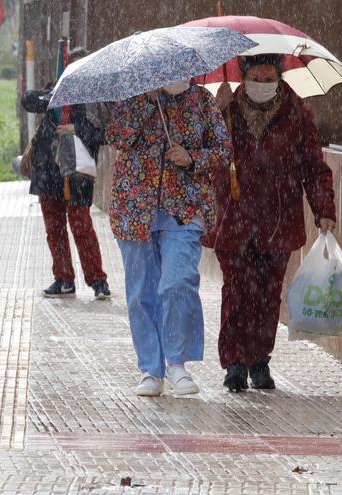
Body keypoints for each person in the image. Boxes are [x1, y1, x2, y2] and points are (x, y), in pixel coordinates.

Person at [206, 54, 337, 392]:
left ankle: (259, 360)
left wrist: (323, 208)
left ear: (279, 78)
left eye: (268, 78)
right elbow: (205, 151)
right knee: (236, 290)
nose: (261, 85)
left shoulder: (296, 112)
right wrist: (217, 113)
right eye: (255, 77)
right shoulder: (227, 108)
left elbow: (313, 165)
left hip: (278, 219)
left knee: (267, 293)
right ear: (243, 76)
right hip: (234, 217)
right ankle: (234, 362)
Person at [105, 80, 230, 397]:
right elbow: (116, 137)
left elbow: (223, 150)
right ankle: (151, 367)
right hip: (136, 208)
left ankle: (177, 362)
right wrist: (146, 102)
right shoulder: (134, 97)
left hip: (185, 208)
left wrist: (192, 158)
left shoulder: (202, 101)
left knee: (178, 281)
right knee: (141, 292)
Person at [20, 48, 111, 300]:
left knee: (81, 225)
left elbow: (105, 132)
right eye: (70, 66)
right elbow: (27, 101)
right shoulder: (55, 90)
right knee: (55, 228)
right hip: (48, 171)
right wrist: (54, 94)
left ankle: (98, 281)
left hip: (78, 172)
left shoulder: (94, 97)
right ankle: (63, 279)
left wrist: (76, 127)